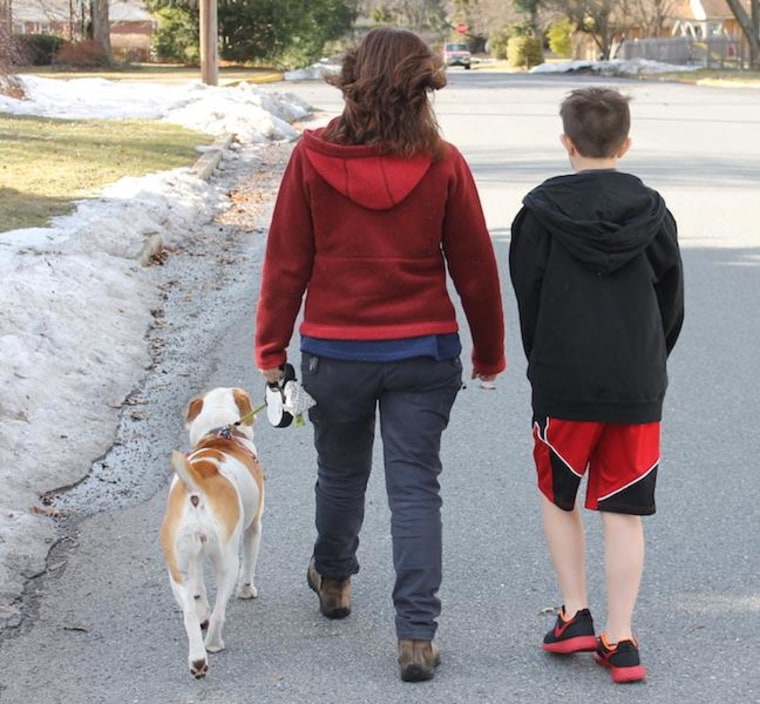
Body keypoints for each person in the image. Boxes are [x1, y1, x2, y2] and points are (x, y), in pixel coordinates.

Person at [254, 27, 505, 683]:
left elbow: (287, 264)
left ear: (352, 80)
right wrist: (489, 352)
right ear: (420, 87)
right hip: (423, 351)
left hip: (336, 351)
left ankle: (333, 579)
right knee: (416, 488)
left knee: (339, 474)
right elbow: (475, 267)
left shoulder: (311, 159)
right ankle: (416, 636)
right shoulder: (443, 163)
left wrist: (270, 347)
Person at [509, 87, 684, 684]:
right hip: (636, 380)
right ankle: (622, 635)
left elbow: (528, 296)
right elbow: (670, 299)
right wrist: (648, 362)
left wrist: (543, 362)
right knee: (624, 510)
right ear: (626, 145)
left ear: (567, 143)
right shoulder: (655, 210)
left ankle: (575, 612)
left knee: (560, 496)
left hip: (565, 380)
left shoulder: (538, 212)